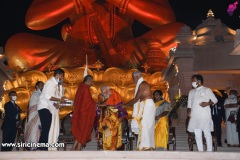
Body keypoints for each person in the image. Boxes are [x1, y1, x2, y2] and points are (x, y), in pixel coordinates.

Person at [5, 0, 183, 72]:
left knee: (179, 33)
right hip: (76, 52)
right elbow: (33, 20)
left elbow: (167, 19)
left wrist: (122, 2)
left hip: (125, 52)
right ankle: (84, 61)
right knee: (16, 46)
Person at [122, 70, 156, 150]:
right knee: (144, 125)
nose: (133, 80)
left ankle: (146, 146)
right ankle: (146, 145)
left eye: (133, 78)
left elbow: (136, 99)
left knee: (144, 125)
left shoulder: (143, 84)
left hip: (147, 105)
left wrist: (125, 105)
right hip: (146, 105)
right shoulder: (141, 84)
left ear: (137, 77)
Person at [37, 68, 66, 150]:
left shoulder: (55, 85)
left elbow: (50, 99)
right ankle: (42, 148)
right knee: (46, 128)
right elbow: (47, 96)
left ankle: (44, 148)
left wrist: (56, 104)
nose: (62, 79)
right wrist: (59, 100)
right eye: (62, 77)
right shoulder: (50, 83)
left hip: (48, 107)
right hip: (44, 108)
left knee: (48, 129)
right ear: (58, 75)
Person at [187, 74, 217, 152]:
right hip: (195, 115)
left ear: (199, 81)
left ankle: (209, 151)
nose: (192, 82)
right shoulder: (191, 92)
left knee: (207, 133)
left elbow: (215, 100)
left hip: (204, 115)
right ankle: (200, 151)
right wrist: (189, 111)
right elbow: (189, 103)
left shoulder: (207, 90)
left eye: (194, 81)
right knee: (197, 134)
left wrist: (207, 103)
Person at [97, 85, 128, 150]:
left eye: (103, 91)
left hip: (113, 125)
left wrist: (117, 122)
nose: (102, 93)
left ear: (108, 91)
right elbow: (100, 110)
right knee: (106, 141)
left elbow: (121, 113)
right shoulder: (103, 99)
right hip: (106, 124)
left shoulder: (114, 97)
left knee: (112, 142)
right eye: (101, 91)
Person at [71, 75, 96, 151]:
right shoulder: (85, 89)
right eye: (92, 82)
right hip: (84, 113)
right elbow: (87, 102)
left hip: (80, 112)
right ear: (88, 81)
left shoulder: (80, 87)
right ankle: (77, 149)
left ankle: (74, 148)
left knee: (80, 132)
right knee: (82, 130)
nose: (92, 83)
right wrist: (96, 104)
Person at [24, 81, 44, 151]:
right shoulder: (35, 94)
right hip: (34, 115)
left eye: (43, 85)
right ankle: (33, 146)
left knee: (40, 131)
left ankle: (39, 146)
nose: (42, 87)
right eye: (41, 85)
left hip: (41, 115)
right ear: (37, 86)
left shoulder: (43, 94)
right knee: (34, 130)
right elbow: (33, 106)